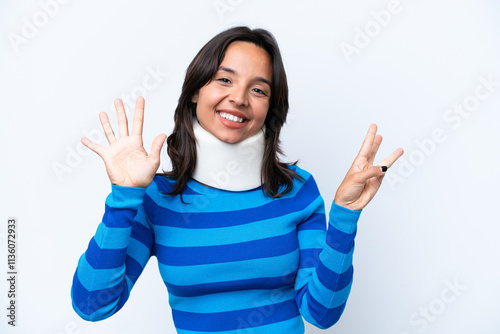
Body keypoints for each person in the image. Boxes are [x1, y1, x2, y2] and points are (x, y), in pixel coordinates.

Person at [71, 26, 403, 333]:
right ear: (195, 92)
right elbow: (92, 306)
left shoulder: (298, 191)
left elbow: (321, 313)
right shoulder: (155, 198)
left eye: (258, 89)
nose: (240, 98)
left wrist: (345, 214)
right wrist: (123, 197)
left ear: (270, 108)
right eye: (224, 80)